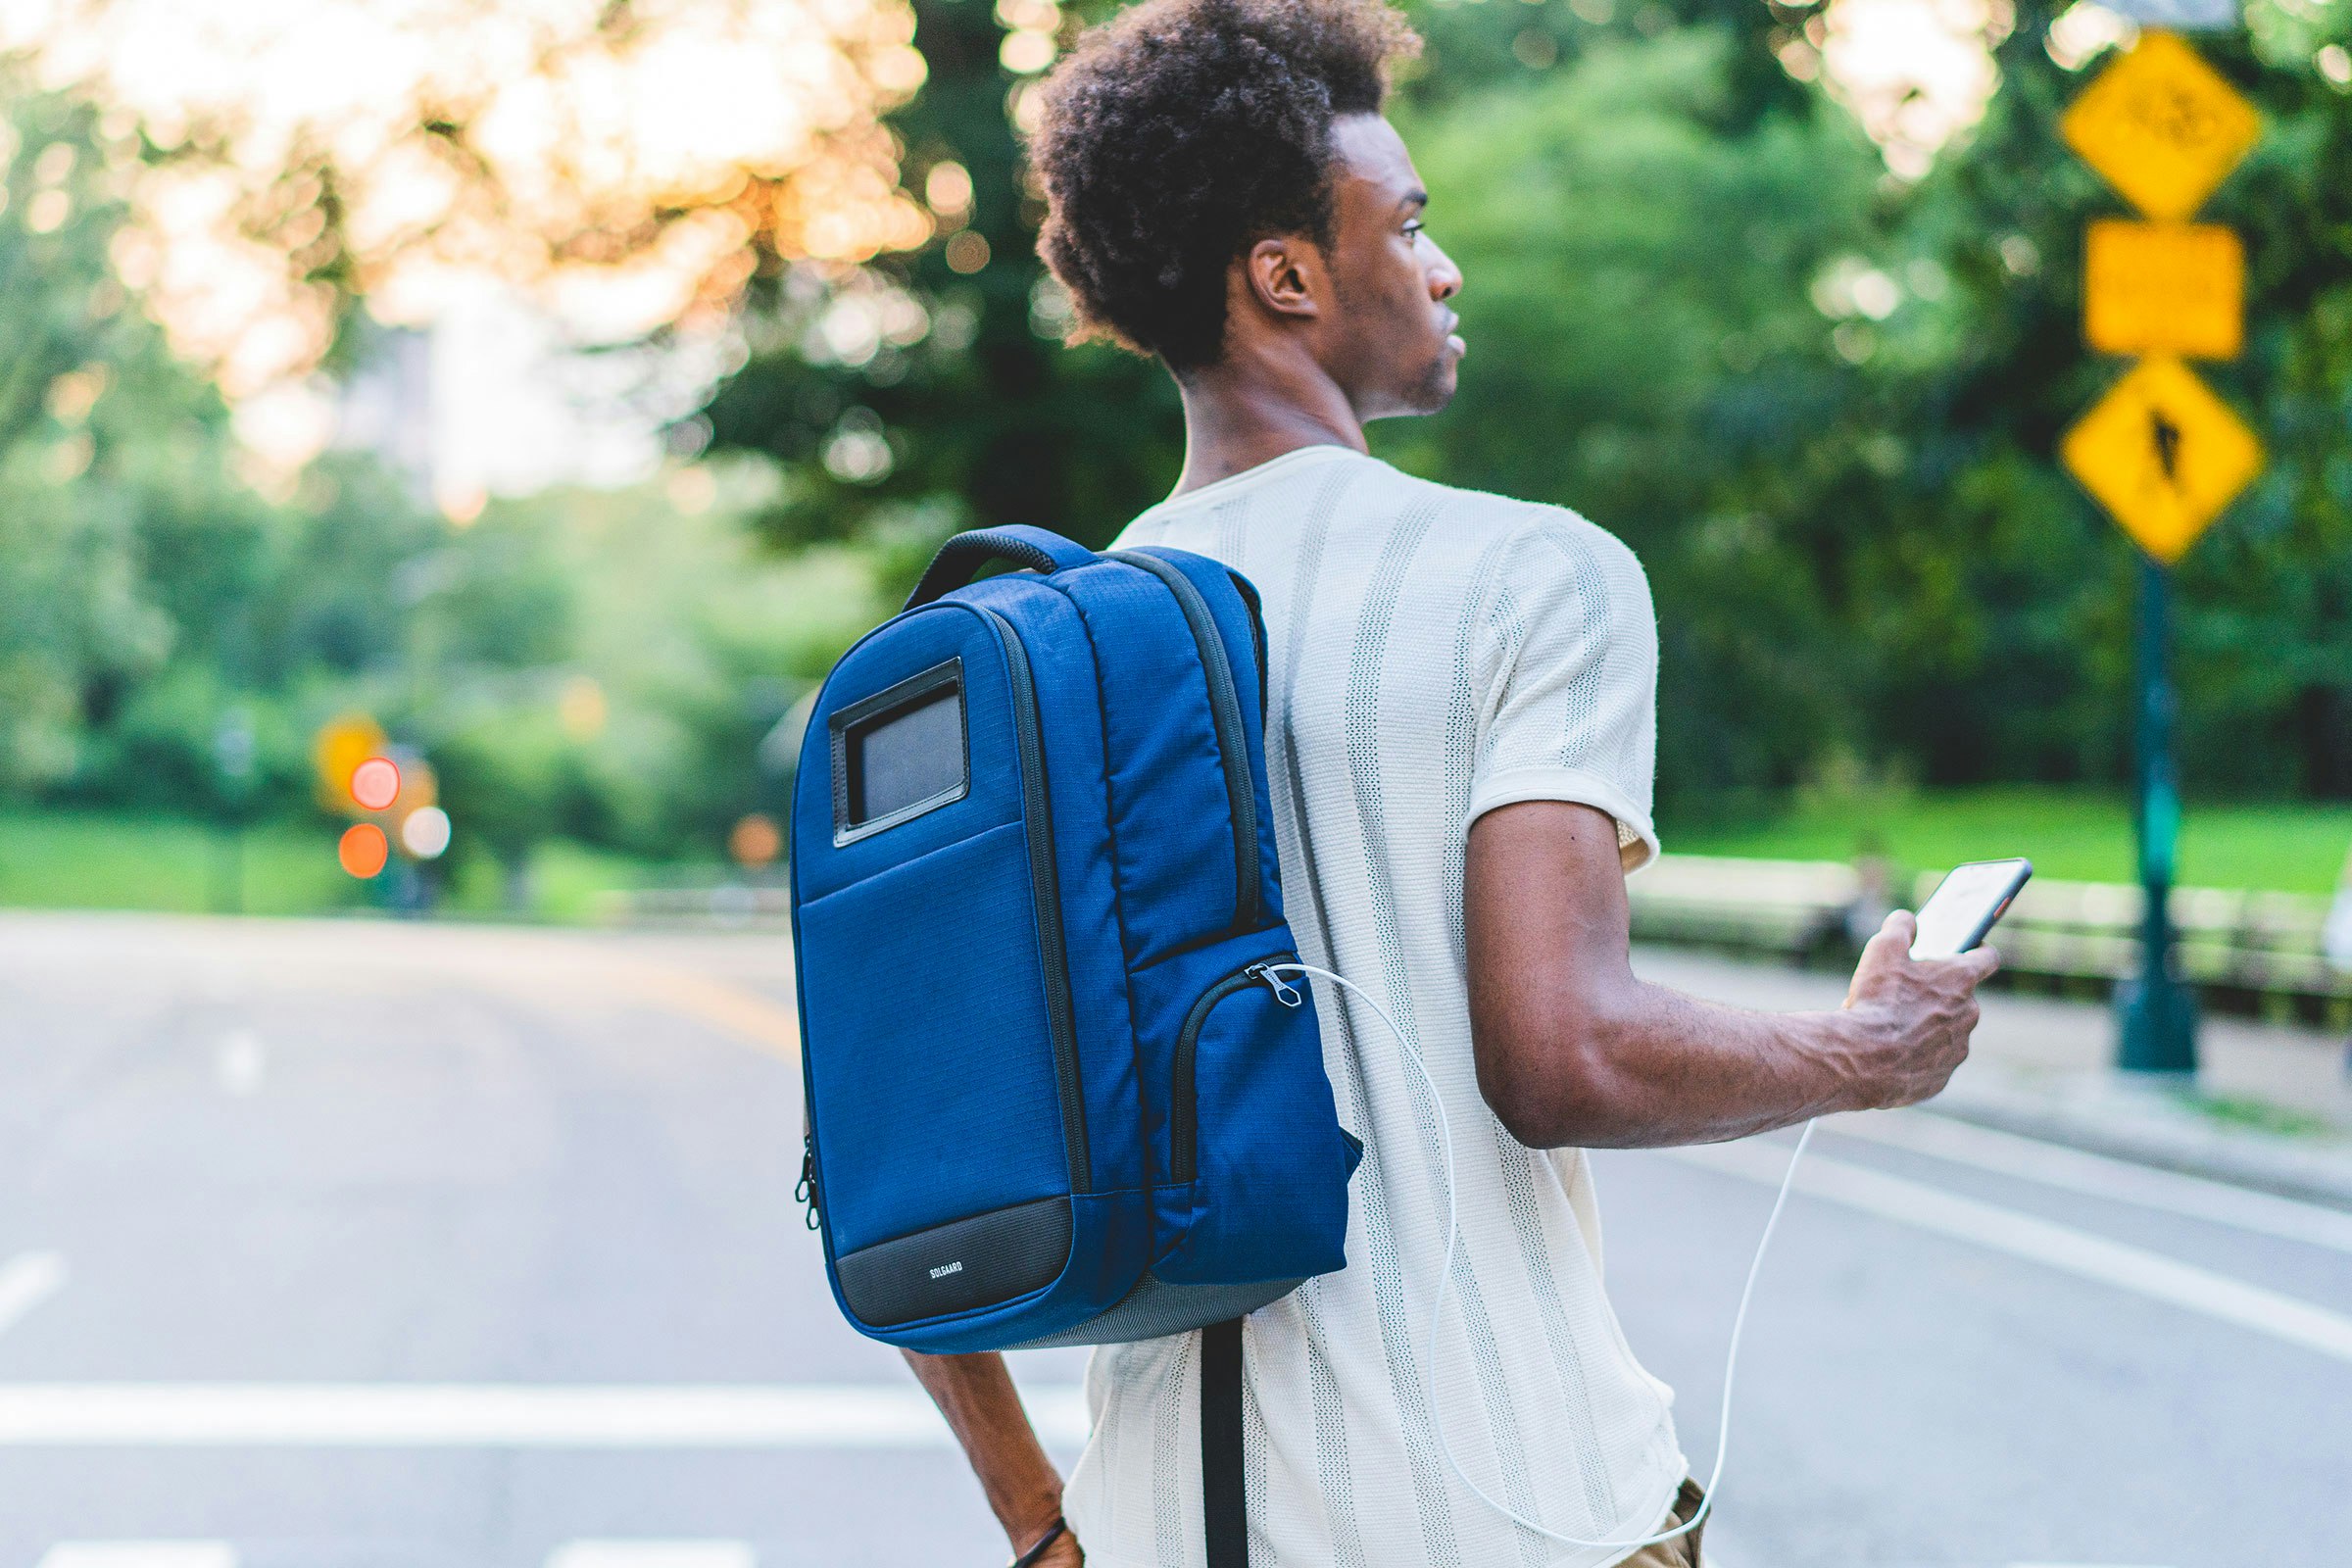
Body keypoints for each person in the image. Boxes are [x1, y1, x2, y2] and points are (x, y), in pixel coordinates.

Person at [899, 1, 1995, 1562]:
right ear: (1287, 275)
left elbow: (909, 1141)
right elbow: (1564, 1057)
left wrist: (1038, 1522)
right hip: (1508, 1505)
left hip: (1161, 1528)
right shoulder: (1528, 577)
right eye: (1406, 223)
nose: (1443, 263)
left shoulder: (1031, 656)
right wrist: (1864, 1053)